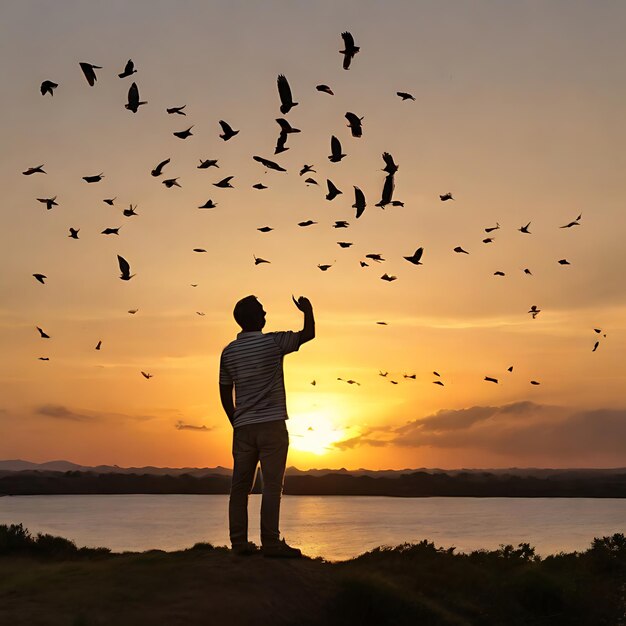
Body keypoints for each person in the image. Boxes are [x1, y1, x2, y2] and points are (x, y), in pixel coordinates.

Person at [219, 295, 315, 557]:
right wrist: (307, 310)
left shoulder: (228, 351)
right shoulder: (273, 341)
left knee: (240, 487)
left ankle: (239, 544)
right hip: (272, 425)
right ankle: (270, 544)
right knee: (272, 486)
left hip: (244, 428)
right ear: (254, 317)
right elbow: (308, 334)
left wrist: (236, 421)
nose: (266, 313)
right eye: (262, 310)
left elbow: (225, 391)